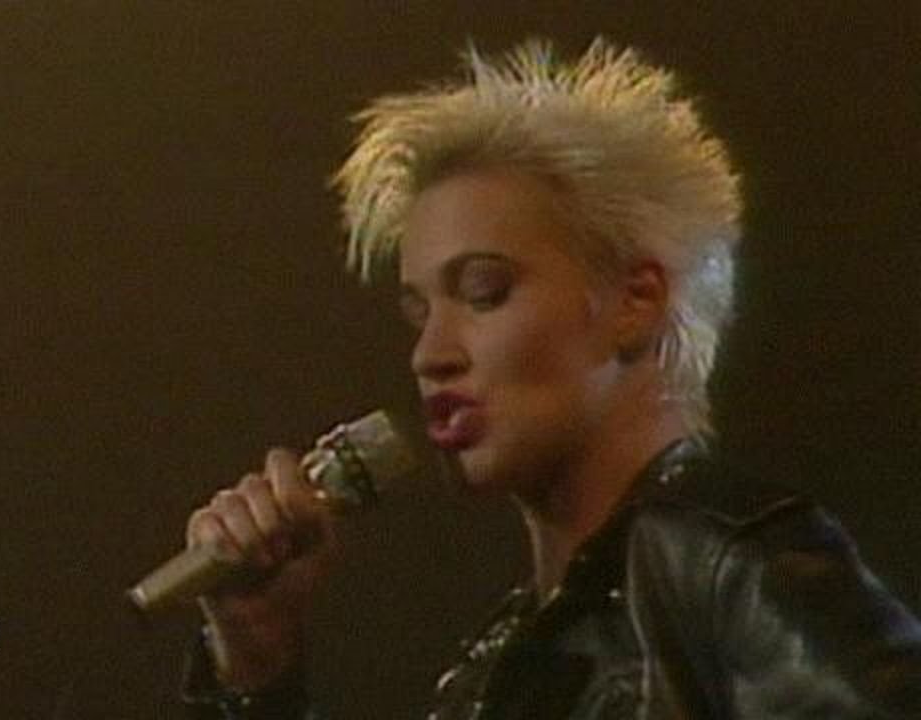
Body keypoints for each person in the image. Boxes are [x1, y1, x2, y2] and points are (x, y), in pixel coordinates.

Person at [177, 38, 921, 719]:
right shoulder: (506, 657)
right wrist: (257, 664)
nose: (429, 353)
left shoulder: (722, 563)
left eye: (484, 292)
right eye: (419, 313)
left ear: (635, 301)